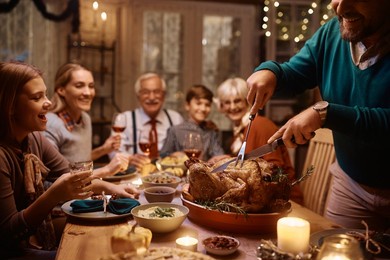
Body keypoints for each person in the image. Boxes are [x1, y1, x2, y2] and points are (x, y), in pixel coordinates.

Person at [246, 0, 390, 230]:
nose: (340, 8)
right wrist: (271, 72)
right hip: (351, 186)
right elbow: (294, 72)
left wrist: (326, 114)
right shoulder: (332, 31)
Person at [0, 61, 139, 259]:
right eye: (37, 97)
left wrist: (112, 188)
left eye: (45, 94)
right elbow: (8, 233)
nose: (48, 103)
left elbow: (70, 174)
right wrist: (54, 195)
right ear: (10, 106)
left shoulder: (34, 138)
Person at [216, 77, 303, 204]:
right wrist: (227, 159)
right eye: (227, 102)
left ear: (248, 101)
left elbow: (275, 170)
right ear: (221, 106)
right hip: (260, 200)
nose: (233, 107)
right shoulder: (240, 131)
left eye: (237, 101)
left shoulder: (260, 125)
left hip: (283, 202)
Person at [43, 63, 130, 179]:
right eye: (79, 86)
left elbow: (79, 161)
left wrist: (103, 150)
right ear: (61, 90)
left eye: (91, 86)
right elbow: (57, 178)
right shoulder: (51, 124)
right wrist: (107, 170)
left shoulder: (85, 118)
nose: (88, 93)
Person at [110, 72, 183, 168]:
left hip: (169, 176)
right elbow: (112, 152)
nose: (151, 97)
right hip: (133, 177)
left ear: (164, 95)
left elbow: (185, 151)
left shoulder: (175, 118)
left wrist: (179, 155)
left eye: (157, 92)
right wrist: (129, 159)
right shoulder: (124, 119)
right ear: (138, 96)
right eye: (145, 92)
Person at [160, 84, 226, 162]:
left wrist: (217, 159)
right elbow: (163, 155)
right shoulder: (175, 130)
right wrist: (173, 155)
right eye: (198, 103)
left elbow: (218, 154)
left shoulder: (211, 131)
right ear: (187, 105)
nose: (203, 108)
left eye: (207, 105)